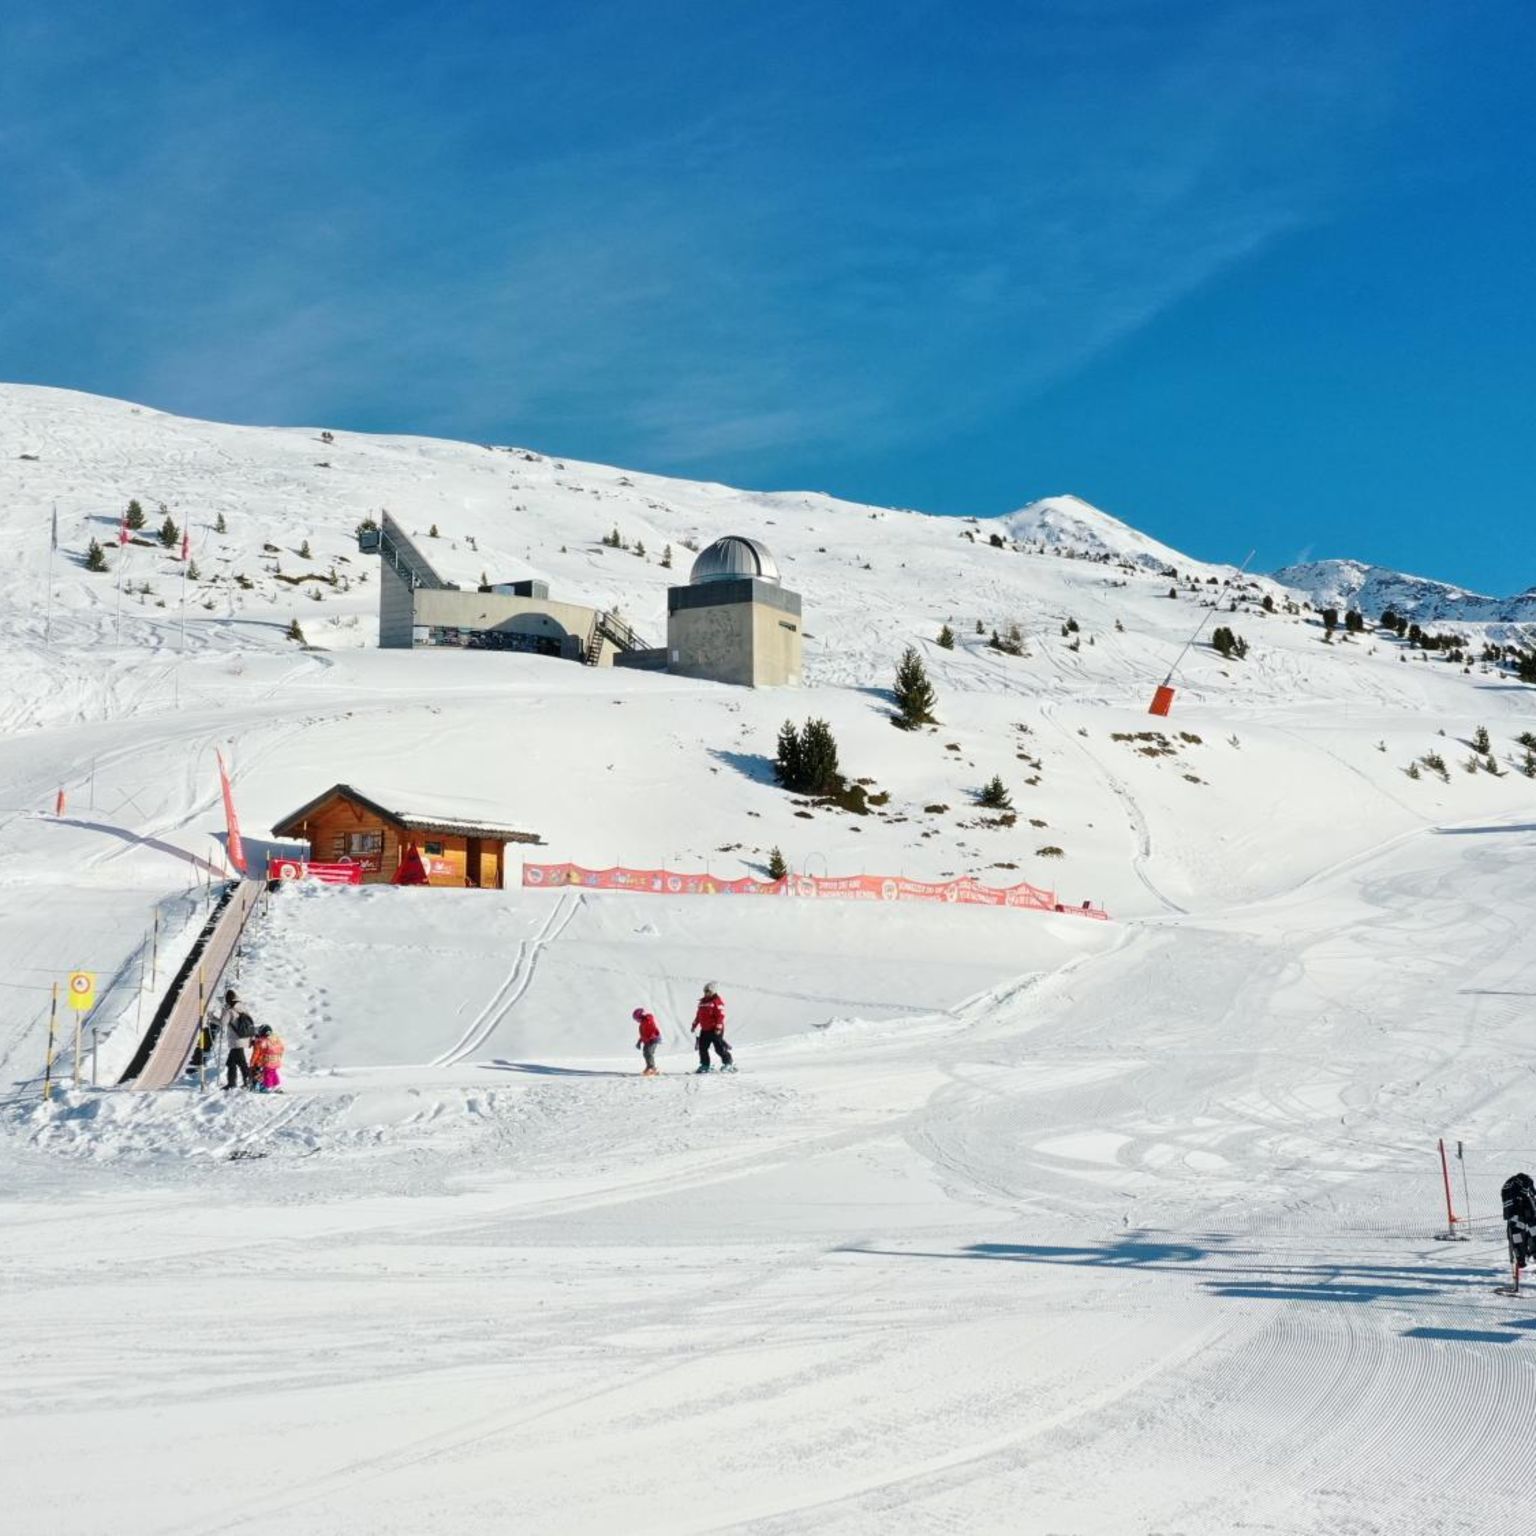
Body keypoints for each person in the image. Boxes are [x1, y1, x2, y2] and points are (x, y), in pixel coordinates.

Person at [1501, 1173, 1536, 1294]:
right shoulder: (1512, 1189)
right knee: (1518, 1234)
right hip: (1518, 1217)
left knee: (1523, 1233)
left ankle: (1521, 1258)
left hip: (1522, 1217)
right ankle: (1521, 1259)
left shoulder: (1515, 1188)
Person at [691, 982, 735, 1074]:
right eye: (705, 991)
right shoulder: (702, 1002)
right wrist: (694, 1024)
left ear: (713, 991)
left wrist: (718, 1027)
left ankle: (728, 1062)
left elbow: (720, 1015)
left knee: (719, 1048)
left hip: (715, 1029)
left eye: (708, 991)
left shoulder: (717, 1001)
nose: (706, 993)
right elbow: (699, 1015)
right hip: (705, 1029)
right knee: (702, 1048)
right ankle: (705, 1065)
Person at [222, 997, 255, 1092]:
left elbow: (222, 1023)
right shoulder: (243, 1009)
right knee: (231, 1062)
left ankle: (246, 1082)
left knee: (241, 1063)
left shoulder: (230, 1011)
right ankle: (232, 1083)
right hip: (244, 1039)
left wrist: (212, 1018)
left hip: (236, 1041)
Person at [249, 1024, 286, 1094]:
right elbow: (282, 1049)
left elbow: (257, 1053)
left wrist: (252, 1062)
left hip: (268, 1061)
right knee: (273, 1073)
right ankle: (276, 1086)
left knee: (267, 1074)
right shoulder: (275, 1040)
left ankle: (267, 1087)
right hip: (276, 1061)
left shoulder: (262, 1041)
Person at [633, 1007, 661, 1075]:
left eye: (637, 1018)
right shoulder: (642, 1024)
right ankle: (649, 1067)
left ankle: (651, 1068)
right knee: (646, 1053)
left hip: (653, 1040)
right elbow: (643, 1035)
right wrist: (639, 1042)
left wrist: (653, 1036)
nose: (637, 1020)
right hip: (647, 1041)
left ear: (640, 1016)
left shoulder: (648, 1020)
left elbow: (653, 1029)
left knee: (648, 1052)